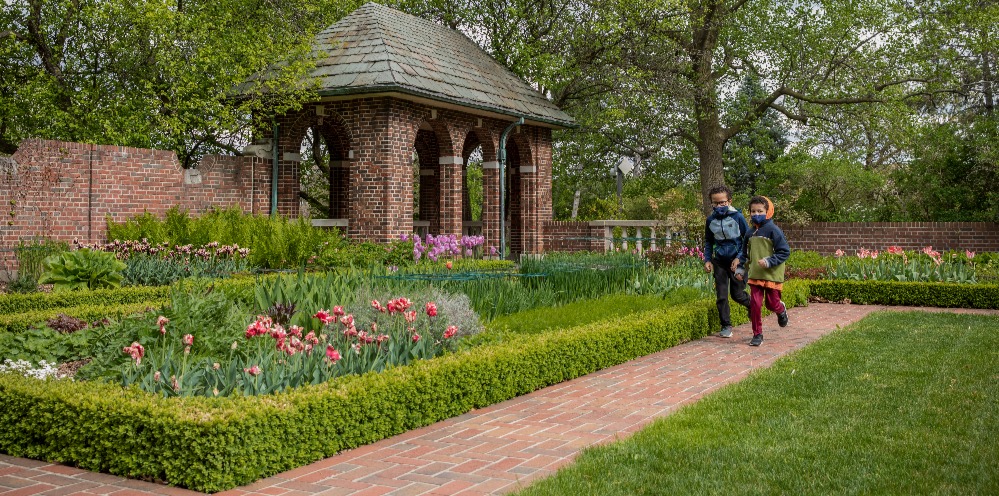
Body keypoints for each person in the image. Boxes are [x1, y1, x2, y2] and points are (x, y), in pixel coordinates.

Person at [734, 195, 790, 346]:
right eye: (753, 211)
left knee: (771, 304)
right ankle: (757, 334)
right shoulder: (749, 233)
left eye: (760, 211)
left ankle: (781, 309)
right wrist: (740, 269)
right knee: (755, 305)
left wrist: (769, 261)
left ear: (768, 211)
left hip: (772, 274)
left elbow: (784, 252)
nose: (756, 214)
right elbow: (744, 253)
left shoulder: (774, 231)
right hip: (755, 275)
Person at [703, 185, 751, 338]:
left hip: (738, 261)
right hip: (720, 262)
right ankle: (726, 325)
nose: (719, 206)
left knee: (737, 294)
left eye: (722, 203)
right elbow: (709, 241)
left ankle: (752, 306)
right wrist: (708, 259)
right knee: (721, 295)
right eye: (715, 203)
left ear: (729, 201)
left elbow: (748, 239)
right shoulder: (710, 220)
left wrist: (739, 258)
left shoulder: (738, 217)